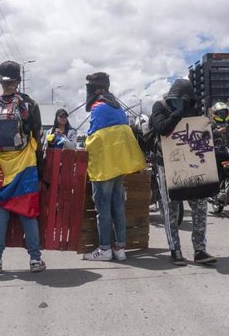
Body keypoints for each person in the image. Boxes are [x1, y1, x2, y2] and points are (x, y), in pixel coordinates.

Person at [0, 61, 46, 273]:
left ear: (1, 79)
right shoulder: (29, 104)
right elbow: (39, 137)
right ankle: (35, 260)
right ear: (18, 81)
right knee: (28, 213)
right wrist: (40, 168)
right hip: (24, 167)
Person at [149, 79, 218, 265]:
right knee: (170, 209)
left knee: (200, 206)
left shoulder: (193, 110)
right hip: (167, 165)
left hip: (192, 164)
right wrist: (179, 112)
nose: (178, 103)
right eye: (176, 100)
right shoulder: (160, 107)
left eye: (182, 101)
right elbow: (162, 128)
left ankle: (200, 250)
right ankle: (175, 250)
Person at [83, 72, 145, 261]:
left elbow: (93, 140)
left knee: (103, 209)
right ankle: (120, 248)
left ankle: (104, 249)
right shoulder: (117, 107)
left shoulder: (98, 107)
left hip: (104, 168)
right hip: (119, 166)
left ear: (96, 89)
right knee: (118, 206)